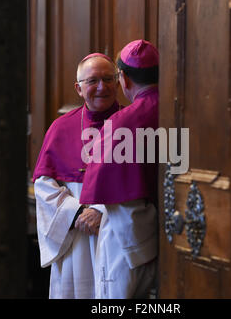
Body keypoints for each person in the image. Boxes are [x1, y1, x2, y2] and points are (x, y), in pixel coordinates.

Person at [32, 53, 120, 299]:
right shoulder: (61, 127)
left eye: (108, 79)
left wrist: (102, 211)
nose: (102, 87)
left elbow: (145, 181)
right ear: (79, 88)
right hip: (75, 238)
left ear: (119, 82)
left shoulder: (134, 124)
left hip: (117, 231)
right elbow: (43, 185)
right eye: (92, 81)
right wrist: (78, 213)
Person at [80, 39, 160, 299]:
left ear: (122, 78)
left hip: (128, 241)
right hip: (170, 237)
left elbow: (108, 185)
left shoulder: (122, 121)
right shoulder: (177, 110)